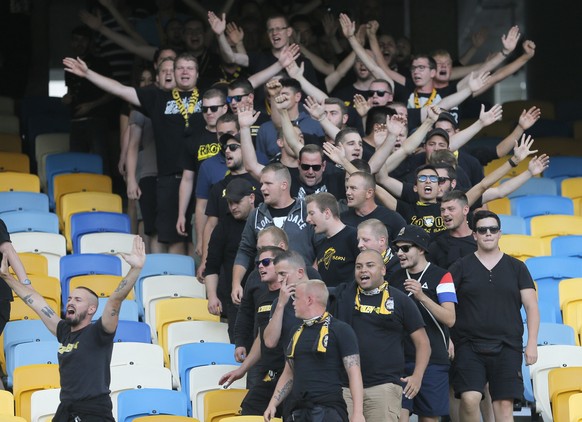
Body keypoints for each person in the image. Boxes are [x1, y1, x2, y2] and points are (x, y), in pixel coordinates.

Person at [62, 52, 202, 255]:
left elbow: (246, 84)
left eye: (189, 68)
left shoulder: (208, 95)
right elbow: (120, 89)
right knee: (174, 241)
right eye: (178, 68)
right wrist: (88, 73)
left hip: (203, 176)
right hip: (170, 178)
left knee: (202, 238)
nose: (183, 72)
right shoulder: (156, 97)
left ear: (198, 74)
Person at [0, 236, 145, 420]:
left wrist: (136, 268)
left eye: (78, 300)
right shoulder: (64, 331)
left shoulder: (98, 333)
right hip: (67, 410)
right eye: (69, 298)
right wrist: (7, 277)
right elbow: (36, 301)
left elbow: (115, 299)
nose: (70, 302)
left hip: (94, 413)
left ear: (92, 309)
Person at [449, 210, 539, 422]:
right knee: (470, 399)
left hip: (508, 345)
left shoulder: (518, 267)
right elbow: (446, 306)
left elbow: (531, 306)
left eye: (493, 229)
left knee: (504, 405)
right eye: (482, 230)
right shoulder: (460, 267)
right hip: (468, 344)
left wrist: (532, 343)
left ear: (500, 233)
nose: (488, 233)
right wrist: (448, 338)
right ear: (474, 235)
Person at [333, 249, 431, 422]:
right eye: (358, 266)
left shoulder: (401, 300)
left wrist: (417, 377)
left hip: (384, 386)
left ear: (383, 270)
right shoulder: (342, 295)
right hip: (345, 386)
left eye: (370, 265)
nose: (363, 270)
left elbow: (423, 343)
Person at [263, 279, 366, 422]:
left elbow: (354, 372)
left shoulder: (341, 329)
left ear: (309, 300)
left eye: (296, 298)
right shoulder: (296, 331)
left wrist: (358, 413)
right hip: (298, 410)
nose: (292, 303)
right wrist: (273, 404)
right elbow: (288, 373)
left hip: (328, 410)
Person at [389, 225, 457, 422]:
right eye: (397, 249)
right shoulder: (394, 278)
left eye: (405, 248)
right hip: (400, 359)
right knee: (398, 416)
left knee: (429, 418)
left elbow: (450, 319)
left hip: (434, 359)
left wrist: (422, 296)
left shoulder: (442, 276)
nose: (399, 253)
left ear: (420, 248)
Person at [232, 163, 317, 305]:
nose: (262, 188)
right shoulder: (256, 214)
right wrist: (236, 283)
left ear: (283, 185)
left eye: (268, 183)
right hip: (265, 287)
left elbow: (321, 247)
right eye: (261, 183)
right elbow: (244, 251)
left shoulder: (305, 210)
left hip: (299, 284)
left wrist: (311, 278)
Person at [204, 178, 256, 341]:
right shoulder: (223, 227)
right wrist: (212, 295)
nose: (233, 207)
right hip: (236, 300)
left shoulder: (265, 220)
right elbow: (211, 266)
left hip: (265, 296)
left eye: (237, 202)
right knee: (238, 346)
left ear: (251, 198)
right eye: (229, 202)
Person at [305, 192, 360, 288]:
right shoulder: (321, 244)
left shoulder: (354, 236)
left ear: (327, 213)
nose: (307, 219)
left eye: (311, 213)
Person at [342, 171, 406, 240]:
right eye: (347, 188)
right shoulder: (341, 220)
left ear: (369, 193)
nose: (347, 192)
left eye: (353, 188)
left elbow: (404, 247)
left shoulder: (393, 219)